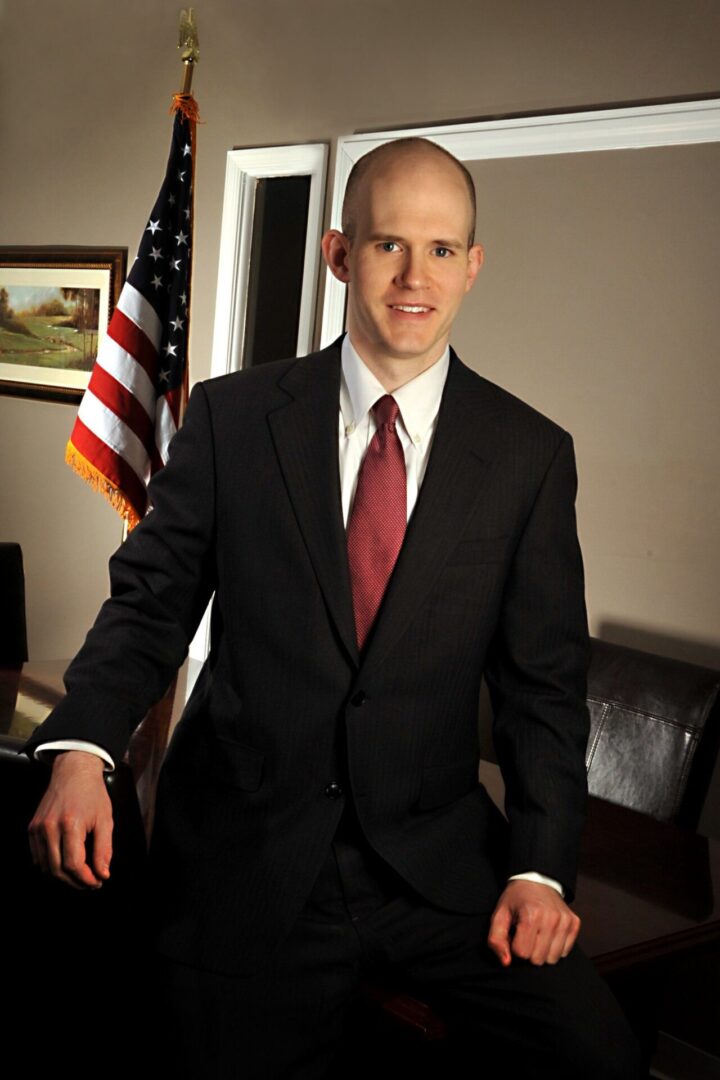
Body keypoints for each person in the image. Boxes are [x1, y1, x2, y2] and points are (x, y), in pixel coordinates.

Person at [26, 137, 641, 1078]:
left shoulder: (528, 457)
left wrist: (538, 866)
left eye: (442, 250)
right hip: (246, 858)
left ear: (473, 266)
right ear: (339, 253)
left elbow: (543, 691)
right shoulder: (233, 421)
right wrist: (81, 750)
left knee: (599, 1059)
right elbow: (149, 606)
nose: (414, 275)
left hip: (437, 871)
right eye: (389, 244)